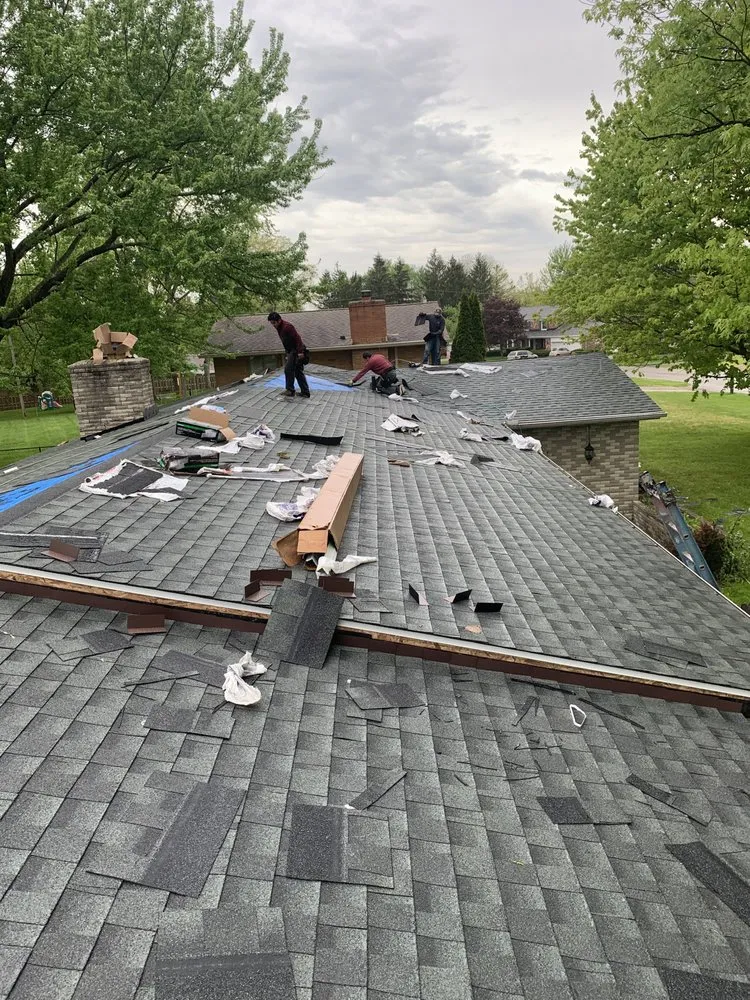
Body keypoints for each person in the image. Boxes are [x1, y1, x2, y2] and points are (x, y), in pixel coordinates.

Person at [268, 312, 310, 398]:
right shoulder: (279, 327)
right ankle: (305, 392)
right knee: (298, 372)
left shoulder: (287, 327)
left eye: (274, 322)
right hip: (291, 351)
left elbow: (297, 338)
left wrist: (300, 352)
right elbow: (287, 341)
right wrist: (287, 353)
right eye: (271, 323)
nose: (273, 325)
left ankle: (290, 390)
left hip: (296, 350)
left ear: (279, 320)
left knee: (288, 369)